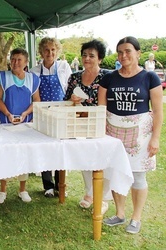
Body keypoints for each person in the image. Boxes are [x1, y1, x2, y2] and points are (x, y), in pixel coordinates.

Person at [99, 36, 163, 234]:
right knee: (114, 173)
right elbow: (101, 109)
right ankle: (119, 214)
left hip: (140, 137)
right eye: (119, 52)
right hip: (112, 134)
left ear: (138, 53)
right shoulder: (108, 78)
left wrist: (155, 138)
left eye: (127, 51)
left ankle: (136, 218)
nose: (123, 55)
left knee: (138, 177)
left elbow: (158, 111)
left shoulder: (150, 78)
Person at [64, 39, 112, 214]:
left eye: (92, 55)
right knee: (85, 159)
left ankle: (103, 198)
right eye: (84, 55)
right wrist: (72, 100)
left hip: (101, 124)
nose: (87, 58)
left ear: (100, 58)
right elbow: (66, 100)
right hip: (80, 124)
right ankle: (90, 193)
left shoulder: (107, 76)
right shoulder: (75, 77)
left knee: (102, 161)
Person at [0, 48, 41, 204]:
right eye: (13, 59)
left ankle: (22, 189)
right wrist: (7, 114)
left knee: (24, 155)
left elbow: (36, 101)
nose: (15, 62)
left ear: (26, 62)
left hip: (26, 124)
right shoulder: (3, 77)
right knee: (4, 154)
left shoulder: (33, 79)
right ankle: (2, 189)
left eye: (19, 59)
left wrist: (25, 114)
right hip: (5, 122)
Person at [30, 37, 72, 198]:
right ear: (41, 52)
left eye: (53, 50)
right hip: (43, 114)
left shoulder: (63, 66)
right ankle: (48, 185)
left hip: (61, 113)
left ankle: (60, 185)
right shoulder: (34, 71)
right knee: (45, 148)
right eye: (47, 50)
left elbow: (69, 88)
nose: (50, 53)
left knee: (60, 149)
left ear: (57, 51)